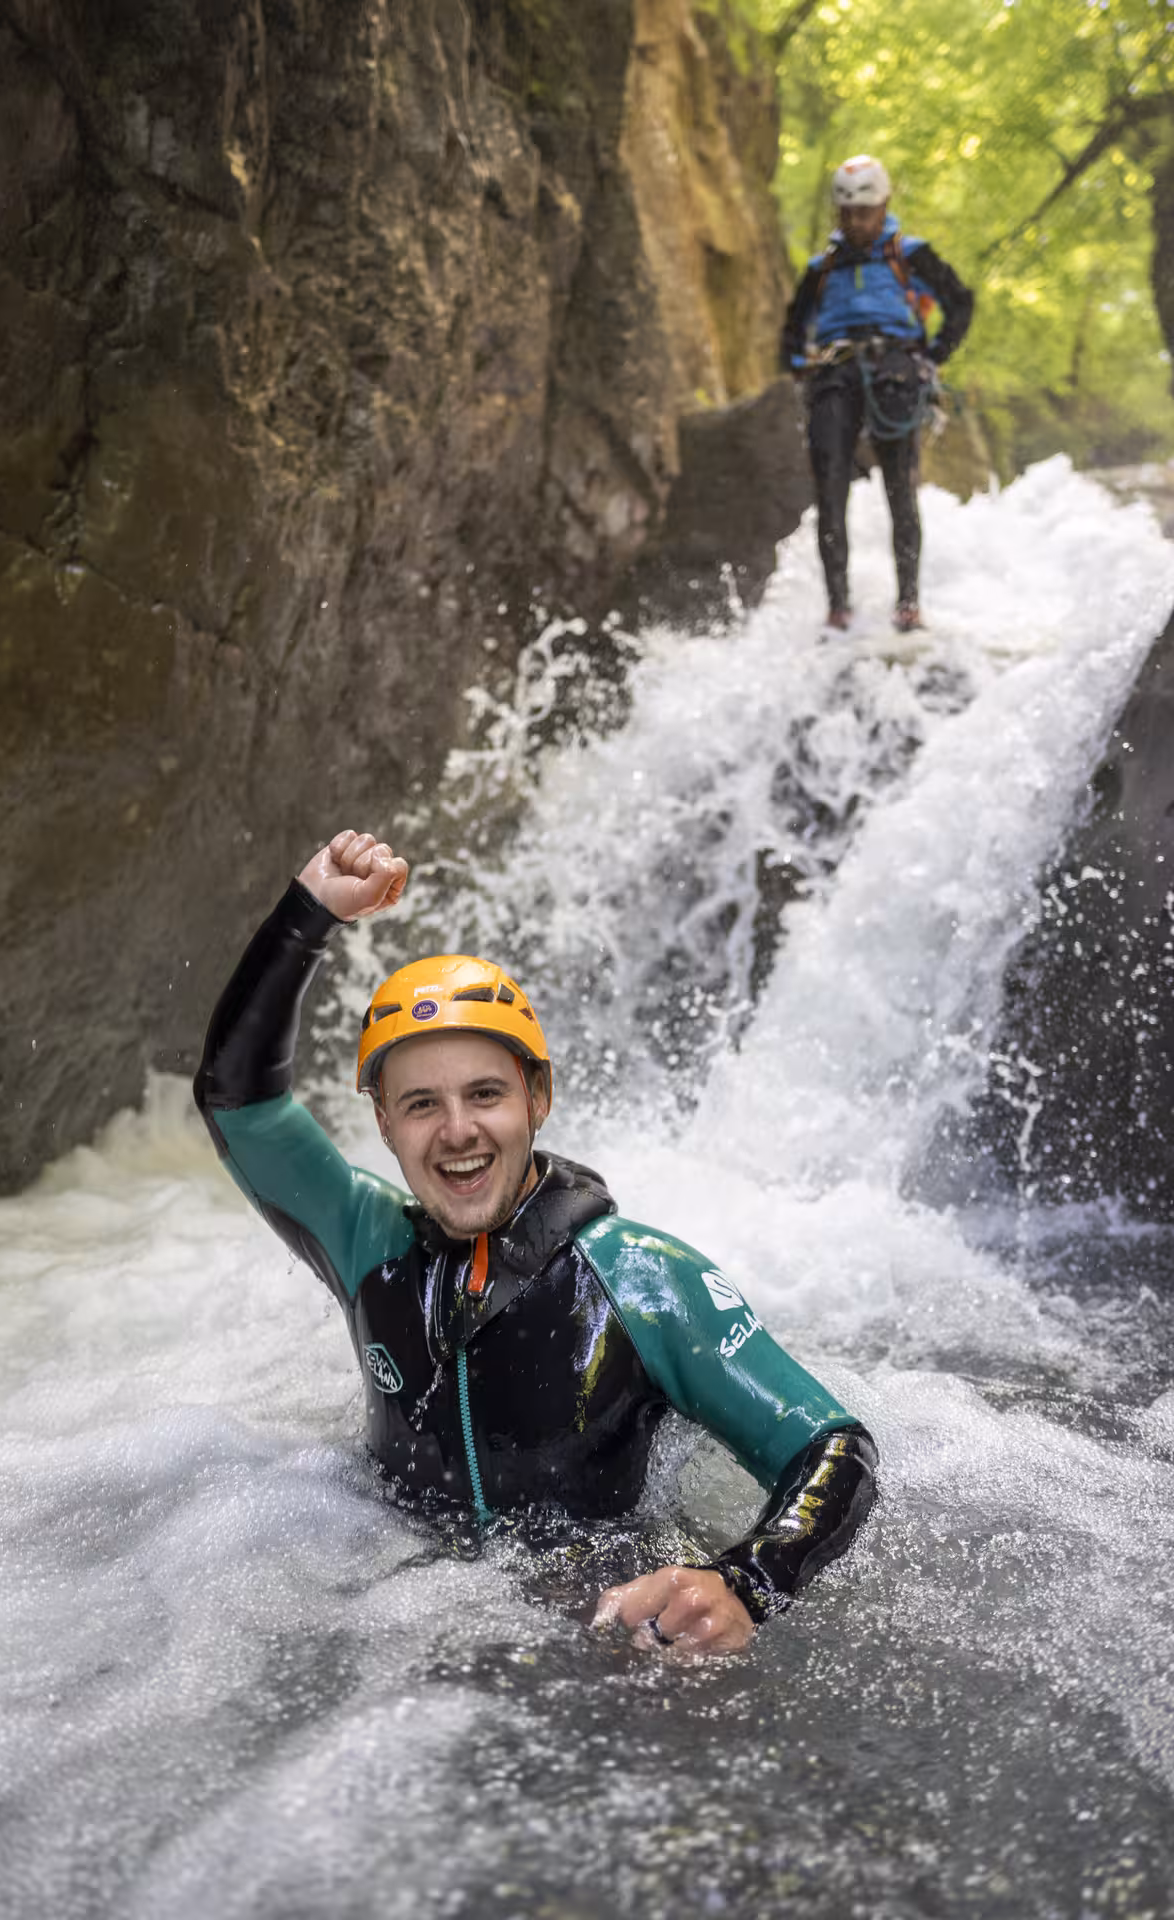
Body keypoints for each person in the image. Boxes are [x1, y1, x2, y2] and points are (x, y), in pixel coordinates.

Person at [194, 828, 878, 1655]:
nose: (457, 1132)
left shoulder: (643, 1278)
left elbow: (831, 1447)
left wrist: (745, 1581)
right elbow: (238, 1099)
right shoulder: (362, 1240)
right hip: (405, 1623)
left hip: (602, 1633)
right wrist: (305, 915)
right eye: (420, 1105)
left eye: (486, 1093)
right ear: (382, 1122)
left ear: (537, 1098)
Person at [780, 154, 974, 634]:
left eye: (864, 212)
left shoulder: (911, 255)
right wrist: (798, 365)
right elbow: (792, 327)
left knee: (900, 488)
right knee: (829, 488)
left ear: (883, 205)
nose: (855, 222)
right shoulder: (820, 268)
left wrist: (932, 354)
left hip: (895, 370)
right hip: (836, 373)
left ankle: (908, 602)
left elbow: (960, 302)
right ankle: (838, 606)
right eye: (846, 213)